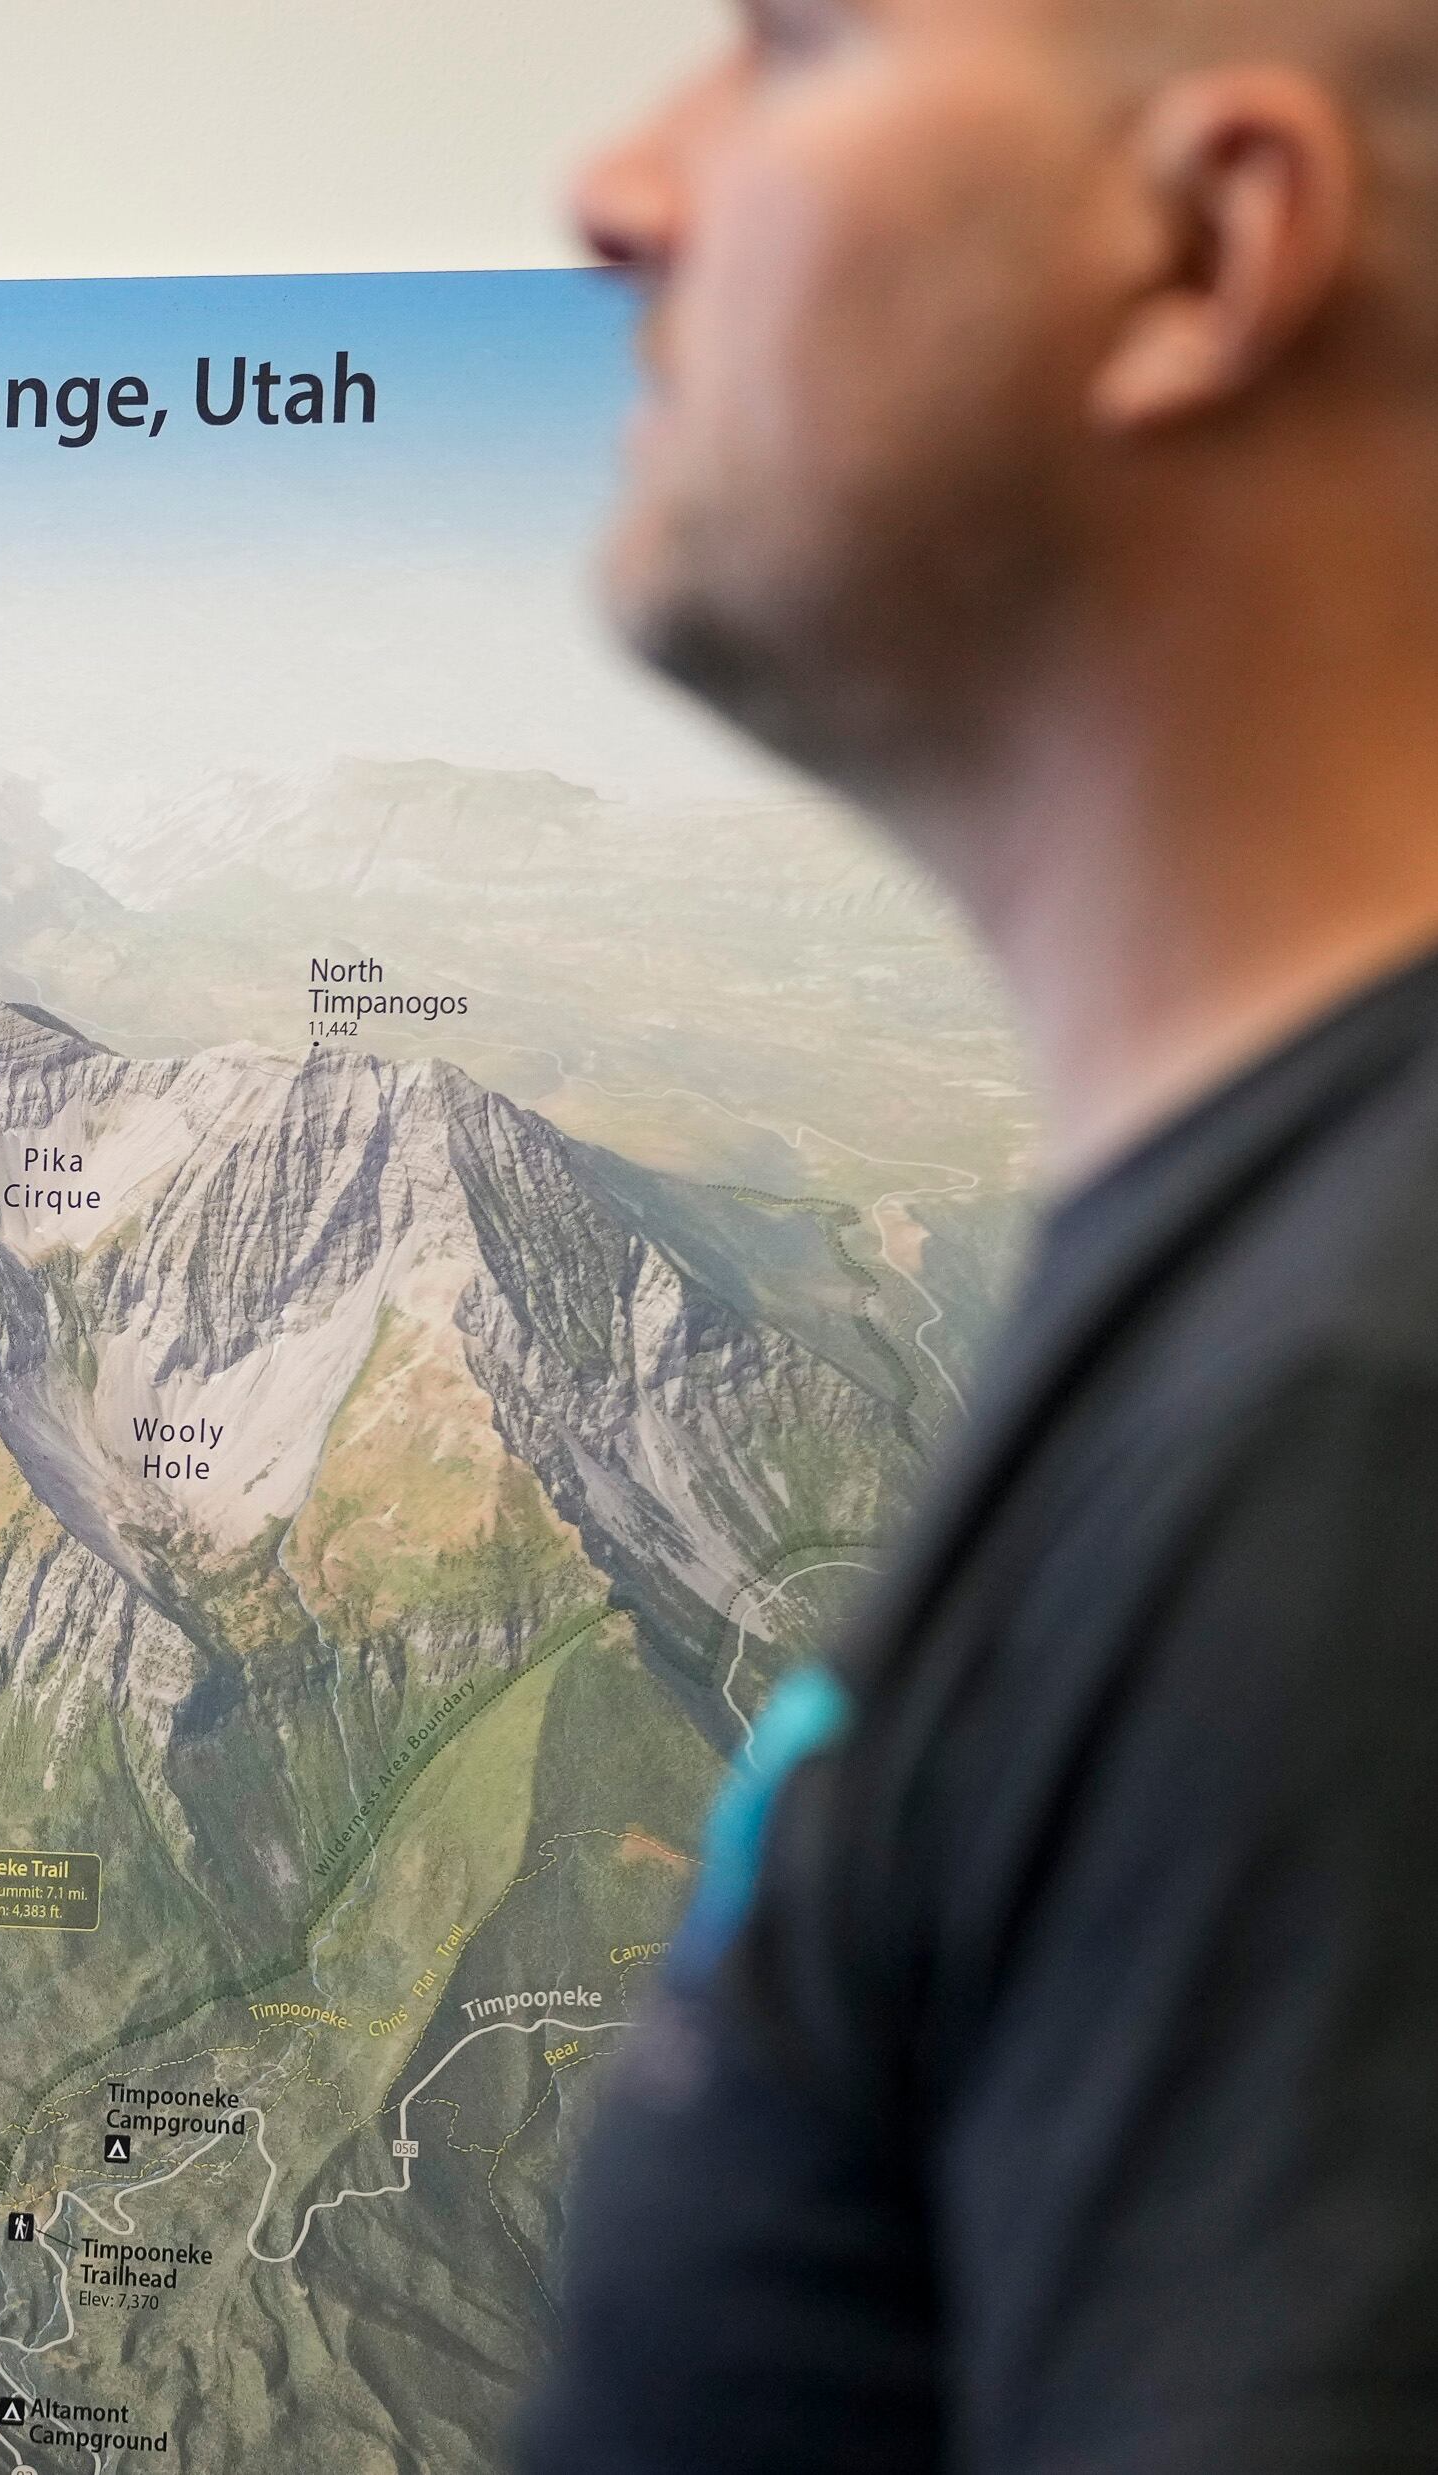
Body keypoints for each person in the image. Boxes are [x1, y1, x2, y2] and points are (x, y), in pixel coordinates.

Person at [529, 0, 1438, 2463]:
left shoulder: (1355, 1431)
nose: (615, 186)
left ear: (1205, 247)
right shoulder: (1294, 1278)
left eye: (795, 45)